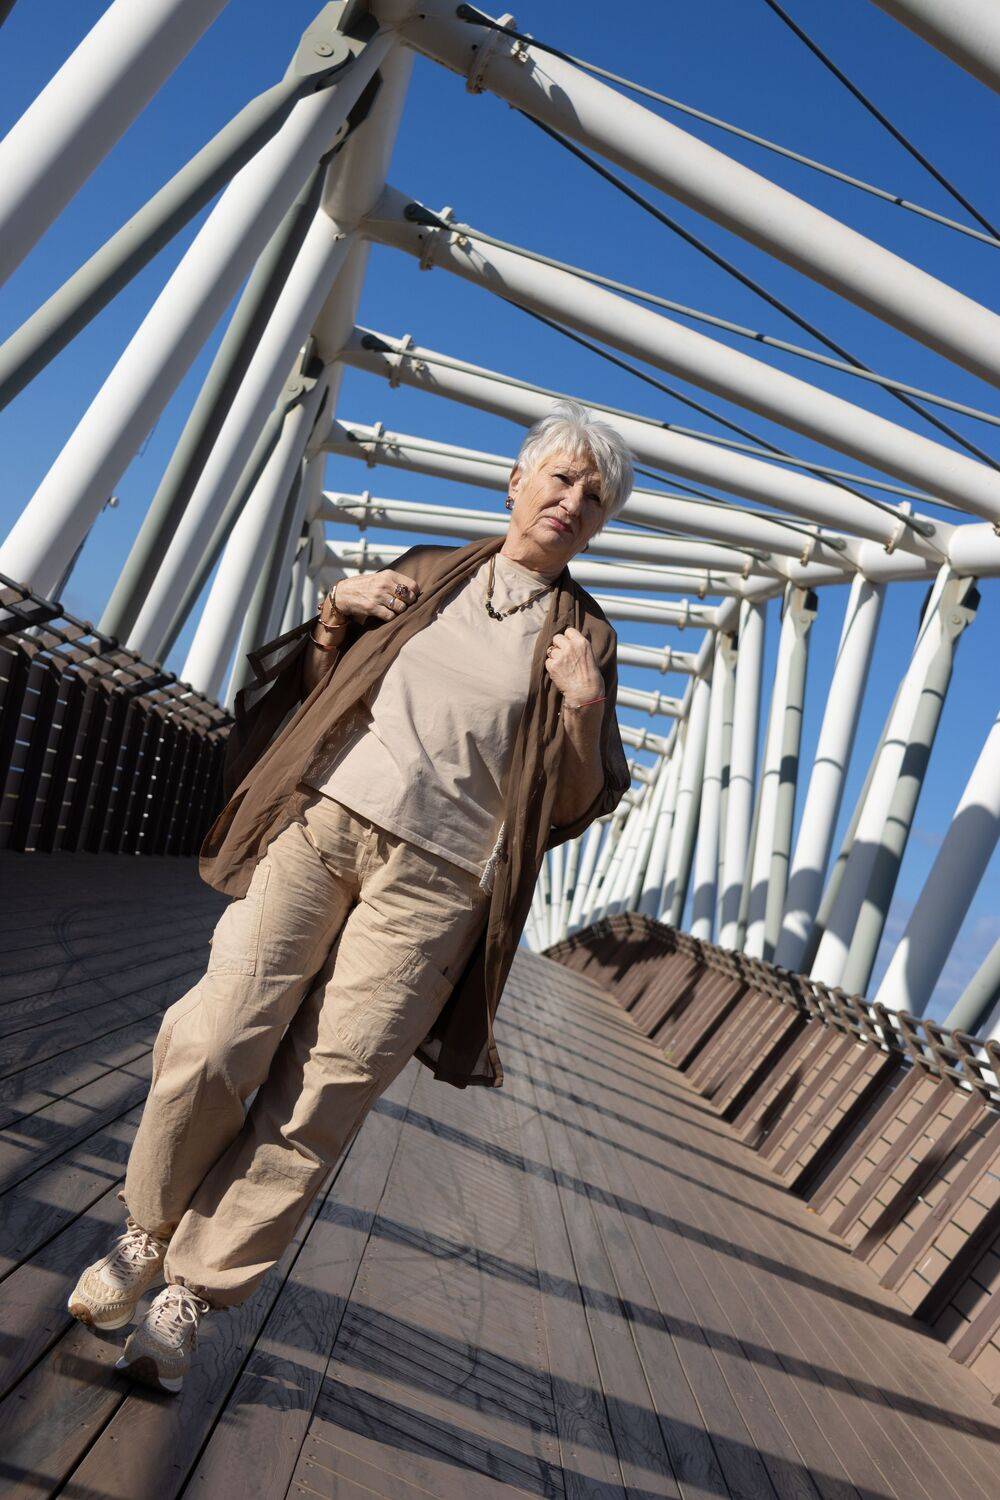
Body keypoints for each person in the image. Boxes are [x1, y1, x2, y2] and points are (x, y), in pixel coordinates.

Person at [68, 399, 633, 1392]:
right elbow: (322, 683)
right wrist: (335, 608)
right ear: (517, 481)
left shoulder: (585, 637)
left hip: (439, 883)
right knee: (214, 1037)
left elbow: (574, 800)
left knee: (323, 1094)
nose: (573, 502)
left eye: (595, 498)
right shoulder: (429, 572)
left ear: (599, 526)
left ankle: (189, 1296)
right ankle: (146, 1232)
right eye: (562, 478)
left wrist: (582, 707)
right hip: (326, 825)